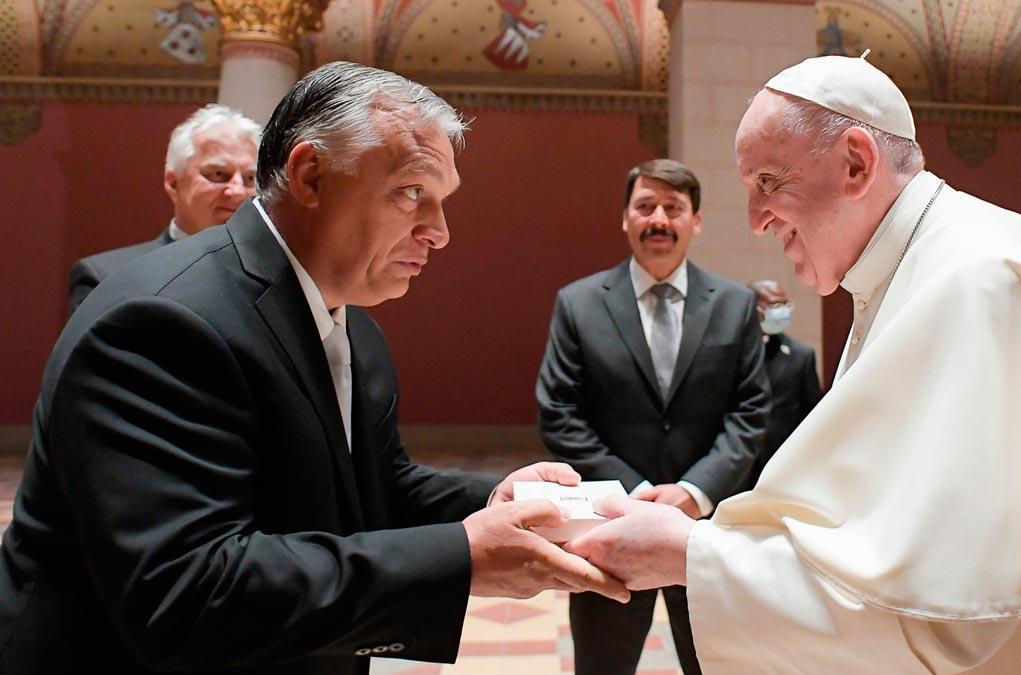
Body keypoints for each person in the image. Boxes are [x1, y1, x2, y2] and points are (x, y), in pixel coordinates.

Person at [567, 54, 1021, 673]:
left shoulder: (976, 281)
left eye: (769, 182)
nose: (757, 220)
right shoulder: (919, 266)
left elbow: (950, 616)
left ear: (855, 162)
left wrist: (690, 555)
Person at [0, 61, 627, 675]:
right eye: (412, 192)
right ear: (311, 174)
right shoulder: (162, 323)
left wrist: (494, 499)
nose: (438, 232)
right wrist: (463, 557)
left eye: (441, 201)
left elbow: (374, 486)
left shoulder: (352, 324)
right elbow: (186, 593)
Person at [536, 158, 769, 675]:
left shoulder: (734, 305)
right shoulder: (578, 304)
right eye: (646, 207)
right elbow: (559, 414)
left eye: (674, 208)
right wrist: (636, 493)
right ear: (626, 218)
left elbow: (750, 412)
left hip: (707, 529)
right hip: (610, 525)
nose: (658, 219)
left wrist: (692, 492)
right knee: (603, 667)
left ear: (696, 221)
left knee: (718, 666)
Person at [68, 104, 261, 313]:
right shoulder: (106, 277)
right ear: (173, 183)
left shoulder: (276, 274)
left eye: (250, 178)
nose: (238, 191)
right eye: (218, 174)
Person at [746, 279, 822, 487]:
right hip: (738, 464)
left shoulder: (801, 355)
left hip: (782, 466)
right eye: (774, 305)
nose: (782, 312)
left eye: (785, 305)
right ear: (752, 308)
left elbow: (812, 414)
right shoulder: (731, 353)